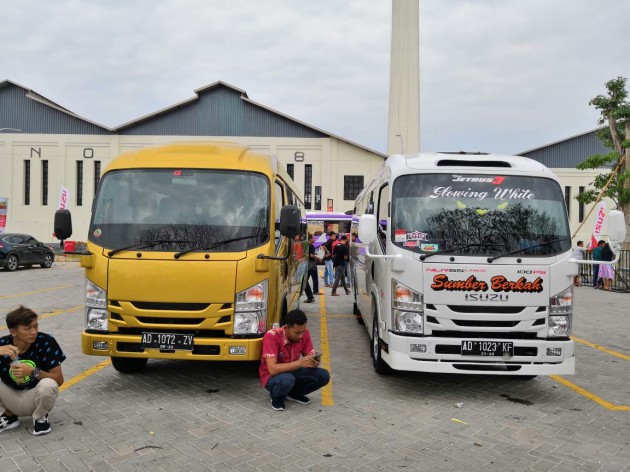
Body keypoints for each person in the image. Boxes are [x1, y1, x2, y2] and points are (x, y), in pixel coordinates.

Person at [0, 306, 66, 435]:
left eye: (35, 326)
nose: (33, 332)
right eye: (27, 328)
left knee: (49, 384)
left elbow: (59, 380)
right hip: (10, 398)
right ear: (13, 332)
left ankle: (40, 418)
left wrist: (32, 371)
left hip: (35, 398)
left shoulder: (46, 342)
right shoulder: (3, 344)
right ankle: (8, 417)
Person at [259, 310, 330, 411]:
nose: (301, 336)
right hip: (272, 377)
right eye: (297, 333)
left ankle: (291, 393)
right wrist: (300, 363)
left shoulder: (304, 333)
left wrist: (314, 361)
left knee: (324, 376)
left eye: (303, 331)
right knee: (287, 379)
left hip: (293, 371)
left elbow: (309, 354)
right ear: (287, 327)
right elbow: (272, 369)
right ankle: (276, 396)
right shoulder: (272, 336)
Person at [303, 234, 321, 303]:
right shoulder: (311, 245)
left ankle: (310, 296)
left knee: (305, 281)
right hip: (312, 265)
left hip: (307, 264)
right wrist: (318, 258)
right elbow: (311, 255)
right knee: (314, 278)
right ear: (310, 239)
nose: (315, 239)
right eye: (313, 238)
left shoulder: (306, 245)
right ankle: (314, 292)